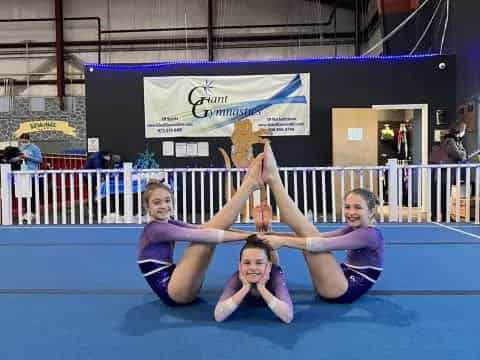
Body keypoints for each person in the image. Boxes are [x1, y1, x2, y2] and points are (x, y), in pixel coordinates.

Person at [258, 144, 384, 303]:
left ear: (371, 211)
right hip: (336, 283)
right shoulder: (351, 229)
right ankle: (273, 179)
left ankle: (274, 180)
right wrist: (273, 234)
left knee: (309, 235)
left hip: (343, 291)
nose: (351, 212)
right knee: (308, 234)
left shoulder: (370, 235)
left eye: (358, 208)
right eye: (347, 207)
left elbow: (320, 245)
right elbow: (319, 238)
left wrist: (282, 241)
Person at [137, 155, 265, 306]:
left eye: (167, 201)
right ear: (147, 207)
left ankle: (247, 186)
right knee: (204, 238)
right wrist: (248, 236)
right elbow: (203, 235)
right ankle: (247, 186)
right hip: (174, 292)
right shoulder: (155, 230)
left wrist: (251, 235)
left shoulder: (169, 223)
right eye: (157, 202)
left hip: (182, 286)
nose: (164, 206)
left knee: (208, 230)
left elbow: (204, 228)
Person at [214, 235, 293, 323]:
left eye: (259, 263)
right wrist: (245, 287)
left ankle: (267, 238)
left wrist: (262, 288)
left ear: (268, 265)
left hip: (271, 271)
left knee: (276, 267)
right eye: (247, 263)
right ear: (240, 265)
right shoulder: (236, 279)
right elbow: (218, 316)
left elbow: (288, 317)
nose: (253, 267)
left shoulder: (275, 277)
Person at [429, 121, 467, 221]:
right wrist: (463, 153)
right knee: (443, 195)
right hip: (444, 173)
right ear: (460, 130)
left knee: (442, 194)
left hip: (444, 173)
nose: (464, 132)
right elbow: (459, 155)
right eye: (464, 130)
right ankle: (442, 215)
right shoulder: (451, 141)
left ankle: (442, 215)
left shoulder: (450, 139)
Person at [12, 133, 43, 221]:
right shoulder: (19, 148)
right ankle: (27, 211)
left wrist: (28, 157)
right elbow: (13, 159)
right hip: (21, 173)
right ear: (20, 140)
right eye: (23, 141)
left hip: (32, 173)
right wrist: (18, 158)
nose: (24, 142)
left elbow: (40, 159)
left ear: (29, 140)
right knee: (24, 193)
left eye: (26, 141)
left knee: (32, 194)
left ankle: (33, 212)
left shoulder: (34, 147)